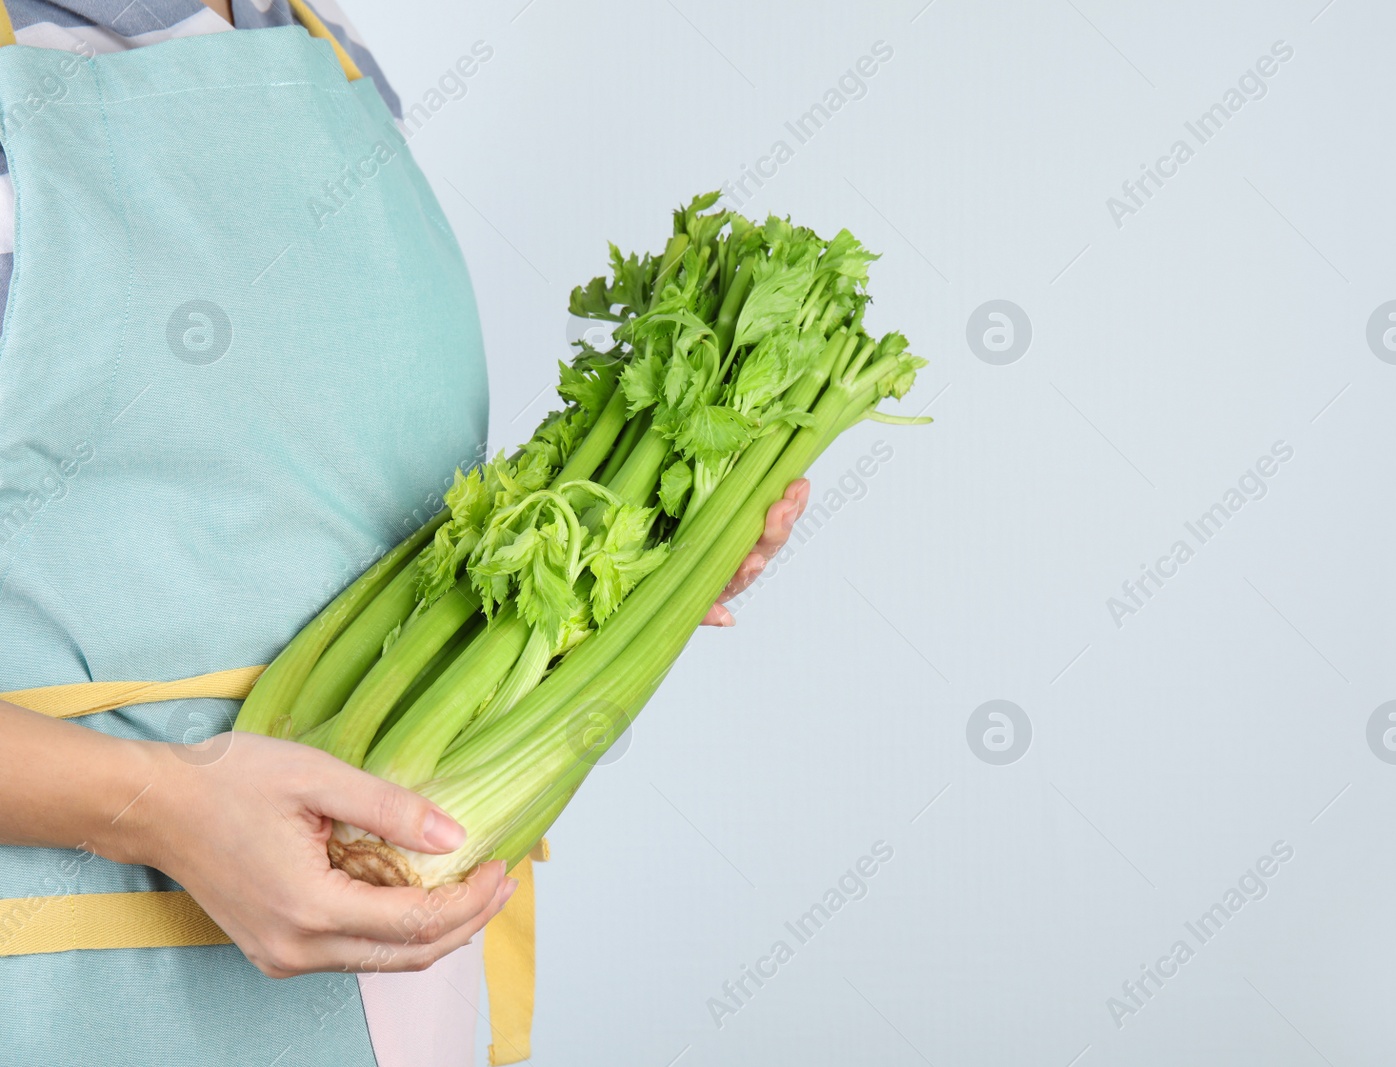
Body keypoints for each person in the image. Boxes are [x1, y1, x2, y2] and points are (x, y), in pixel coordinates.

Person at [0, 2, 808, 1064]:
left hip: (397, 997)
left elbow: (343, 506)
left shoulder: (323, 52)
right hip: (72, 988)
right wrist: (161, 807)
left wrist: (651, 549)